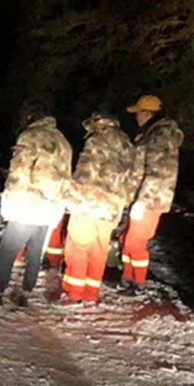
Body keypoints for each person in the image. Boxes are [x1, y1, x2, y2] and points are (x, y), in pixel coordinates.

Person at [0, 109, 71, 308]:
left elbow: (18, 172)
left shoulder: (30, 136)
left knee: (6, 253)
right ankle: (25, 294)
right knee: (35, 254)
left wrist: (8, 202)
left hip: (28, 205)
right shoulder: (64, 142)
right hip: (50, 208)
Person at [58, 111, 134, 306]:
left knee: (77, 249)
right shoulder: (127, 144)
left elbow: (84, 174)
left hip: (89, 204)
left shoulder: (96, 141)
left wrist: (70, 199)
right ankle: (91, 294)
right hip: (112, 208)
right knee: (99, 251)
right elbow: (131, 178)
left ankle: (74, 294)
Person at [119, 95, 184, 296]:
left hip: (150, 200)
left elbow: (157, 172)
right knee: (128, 239)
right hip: (141, 198)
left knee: (135, 242)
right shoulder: (150, 134)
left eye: (138, 112)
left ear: (148, 113)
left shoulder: (159, 137)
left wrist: (143, 201)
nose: (136, 116)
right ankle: (128, 279)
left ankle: (138, 283)